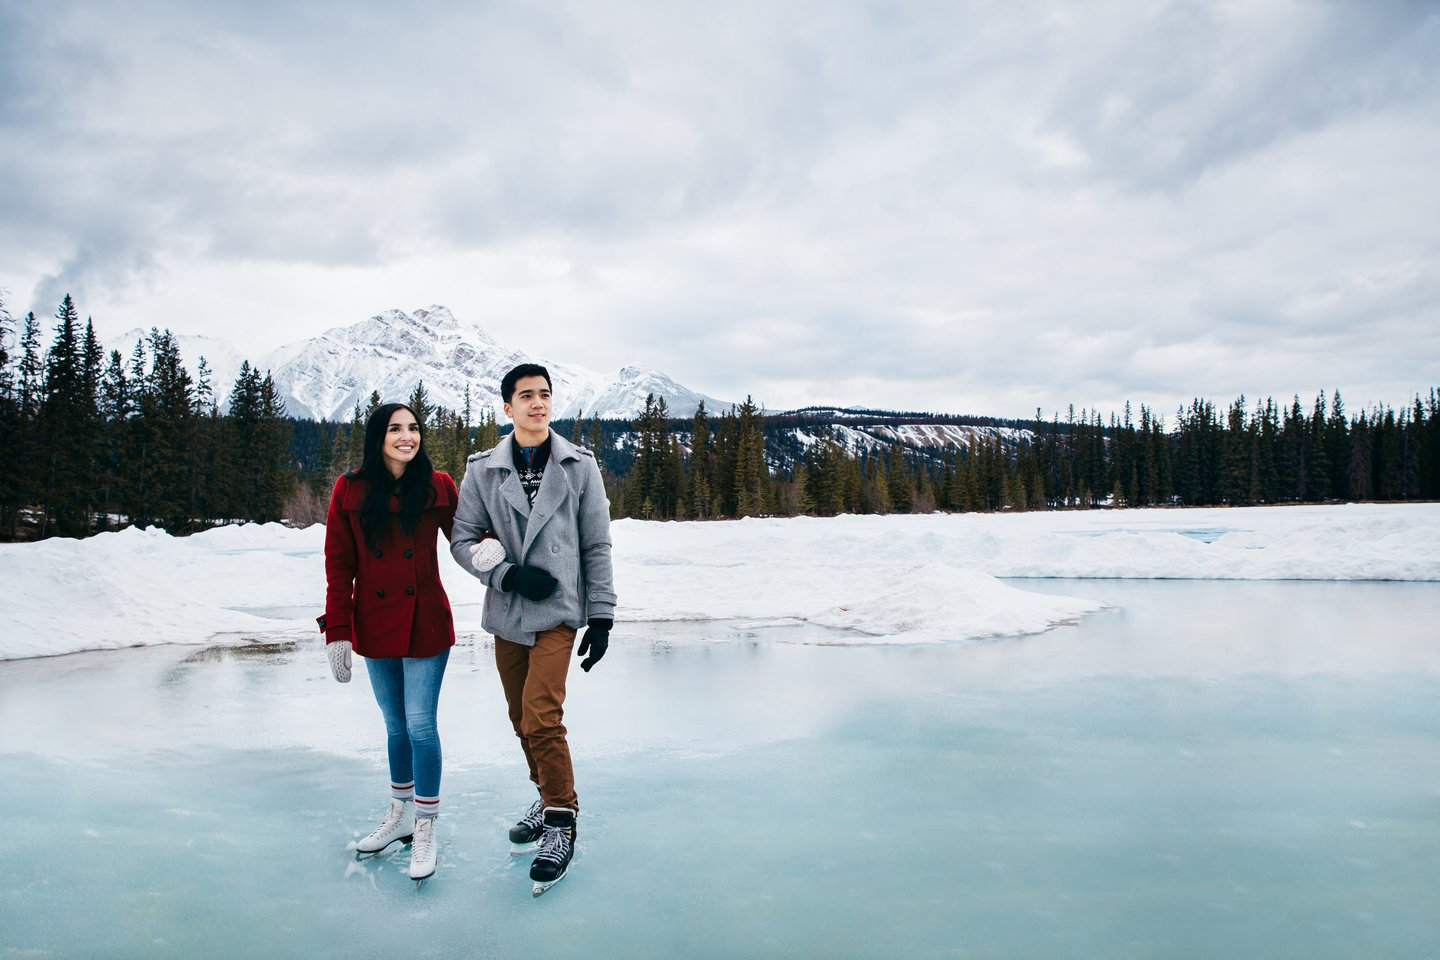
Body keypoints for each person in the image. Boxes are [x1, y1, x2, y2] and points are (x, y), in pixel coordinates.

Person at [318, 402, 503, 883]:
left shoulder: (437, 484)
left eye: (414, 428)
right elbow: (339, 565)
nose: (407, 436)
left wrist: (487, 544)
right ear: (378, 437)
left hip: (425, 622)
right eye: (396, 429)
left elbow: (466, 533)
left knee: (421, 725)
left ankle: (425, 825)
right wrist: (337, 630)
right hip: (373, 621)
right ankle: (399, 815)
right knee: (395, 726)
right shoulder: (350, 489)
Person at [450, 363, 617, 894]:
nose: (538, 403)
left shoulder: (578, 466)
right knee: (520, 718)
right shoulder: (483, 470)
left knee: (542, 715)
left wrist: (602, 615)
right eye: (526, 396)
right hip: (509, 610)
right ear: (508, 407)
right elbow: (461, 540)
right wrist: (506, 574)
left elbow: (596, 544)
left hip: (559, 610)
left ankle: (561, 820)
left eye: (545, 394)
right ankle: (546, 796)